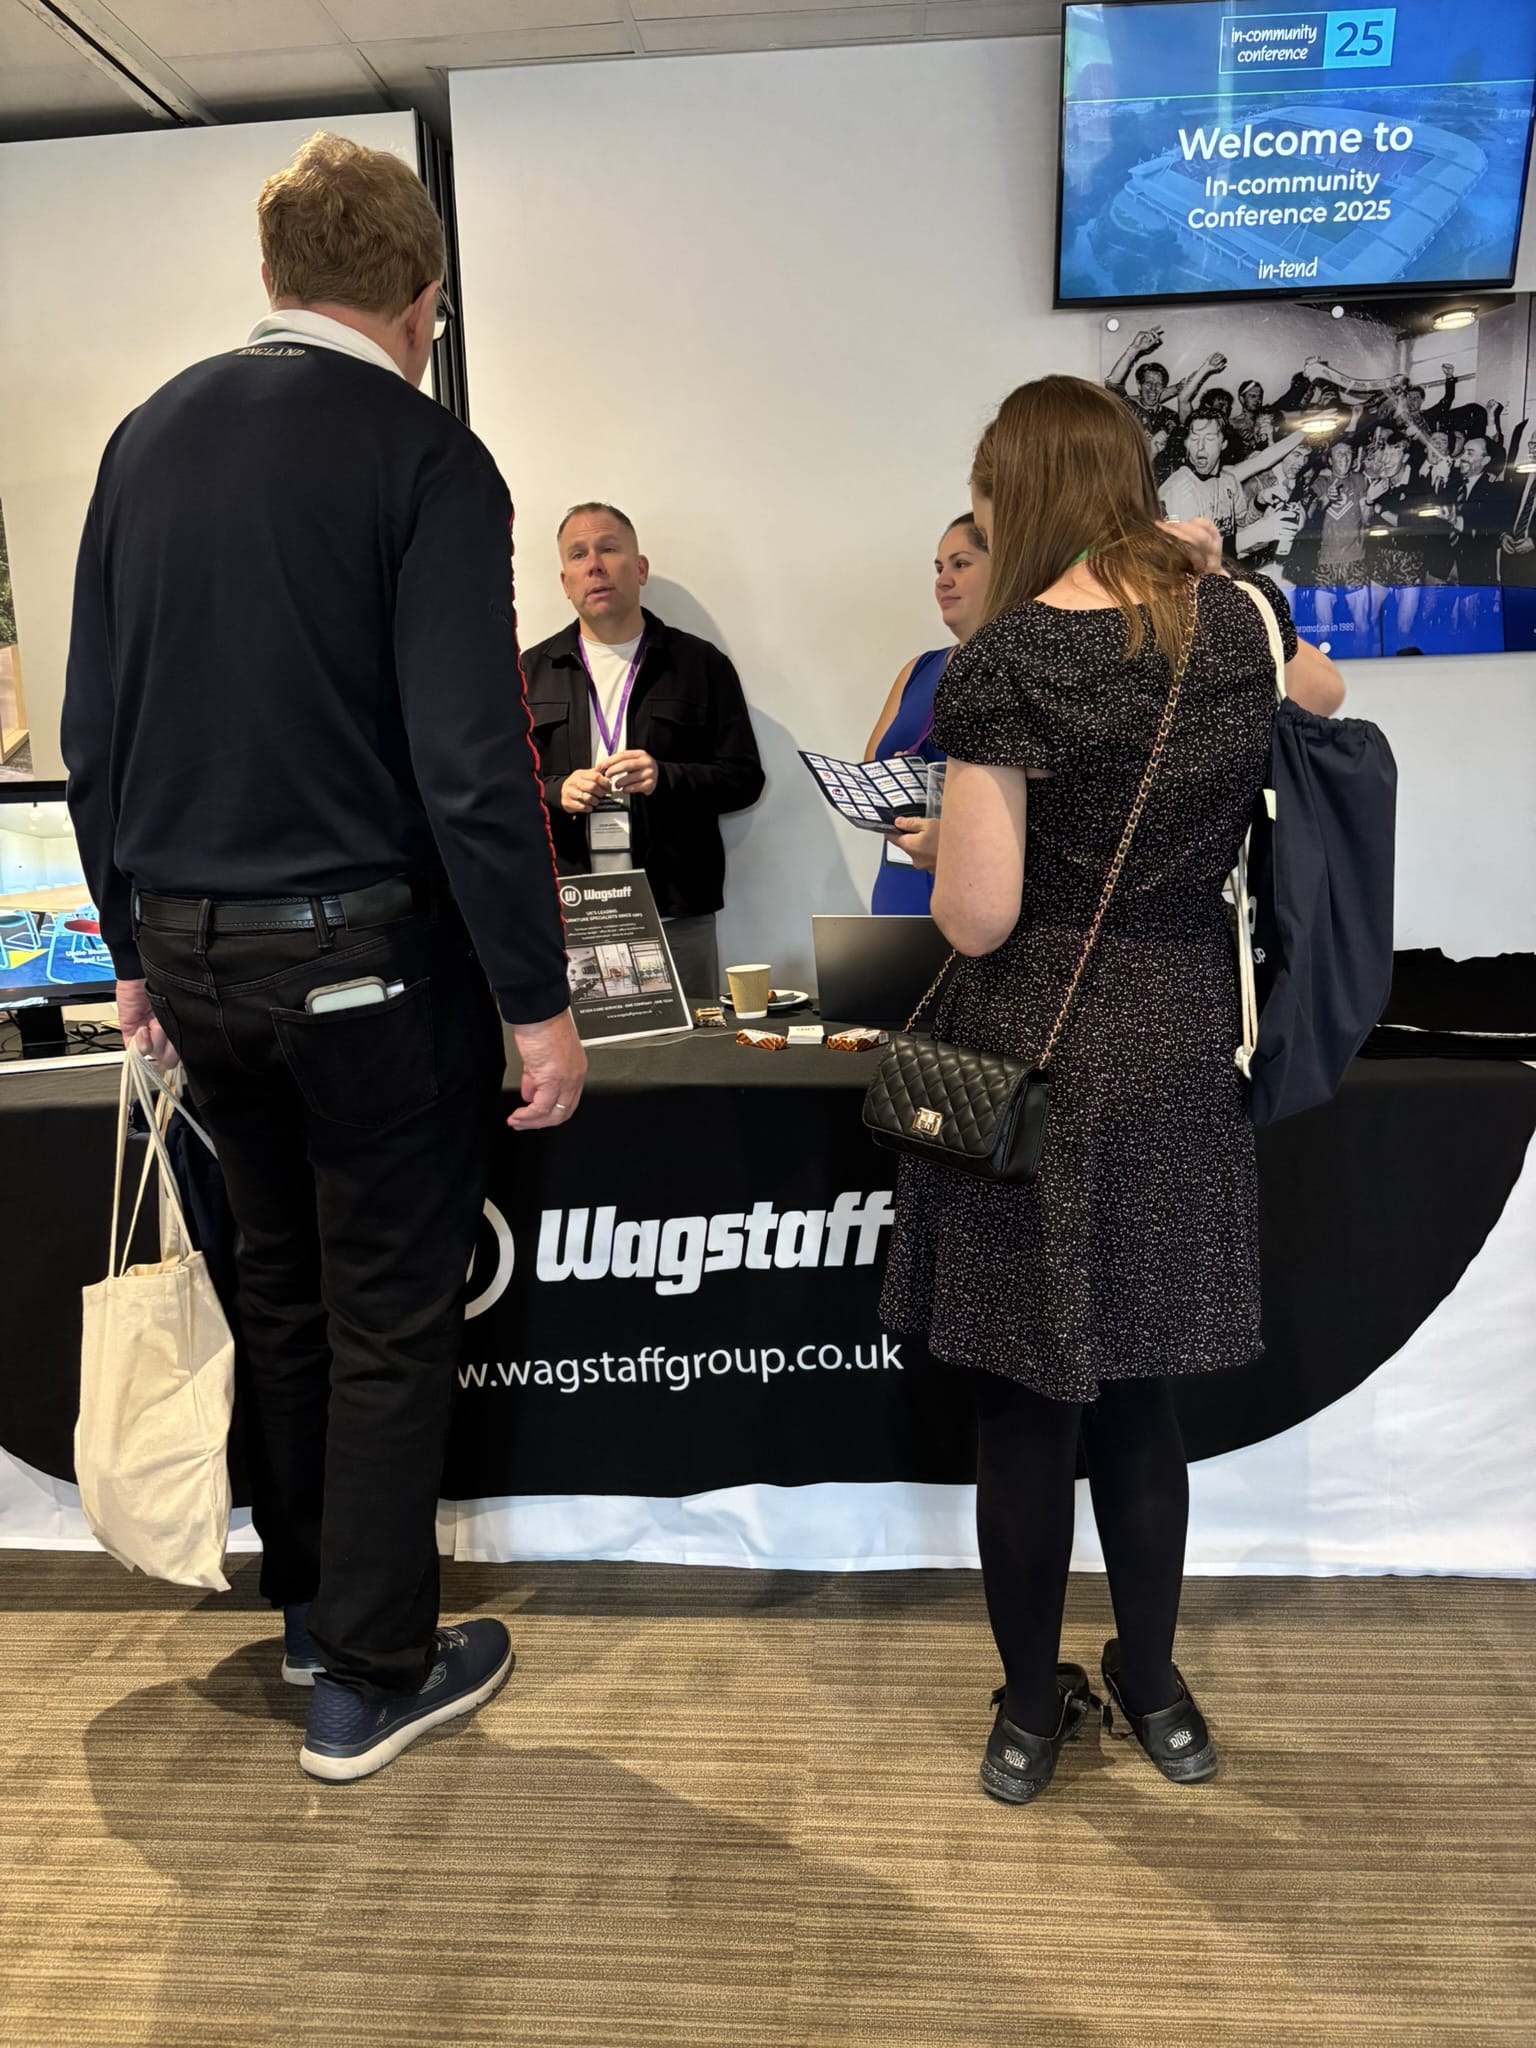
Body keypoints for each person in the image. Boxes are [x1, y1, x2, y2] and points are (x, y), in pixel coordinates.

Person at [60, 133, 586, 1783]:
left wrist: (128, 947)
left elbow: (92, 733)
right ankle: (373, 1671)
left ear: (274, 277)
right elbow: (473, 765)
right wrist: (537, 1000)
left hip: (189, 956)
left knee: (281, 1285)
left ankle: (310, 1610)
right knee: (384, 1310)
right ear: (423, 300)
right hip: (362, 962)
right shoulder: (429, 458)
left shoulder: (145, 437)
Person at [879, 374, 1345, 1807]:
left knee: (1029, 1413)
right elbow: (1330, 700)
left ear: (1020, 493)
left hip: (1037, 1052)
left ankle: (1031, 1717)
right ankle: (1160, 1691)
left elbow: (976, 917)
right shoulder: (1240, 622)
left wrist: (941, 831)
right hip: (1181, 1037)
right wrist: (1214, 568)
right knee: (1141, 1401)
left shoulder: (1007, 658)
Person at [520, 504, 764, 1001]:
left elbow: (744, 779)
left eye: (609, 549)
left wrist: (664, 777)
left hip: (675, 914)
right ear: (565, 582)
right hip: (571, 916)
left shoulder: (700, 664)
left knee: (688, 1048)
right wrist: (555, 792)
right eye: (578, 555)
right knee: (582, 1051)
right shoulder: (529, 672)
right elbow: (499, 785)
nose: (595, 565)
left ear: (640, 568)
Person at [863, 515, 990, 912]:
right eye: (939, 569)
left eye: (960, 564)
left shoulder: (1021, 675)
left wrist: (953, 839)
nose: (943, 581)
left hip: (973, 889)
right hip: (900, 883)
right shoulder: (918, 669)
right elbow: (870, 772)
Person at [1159, 413, 1306, 554]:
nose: (1201, 447)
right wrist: (1260, 532)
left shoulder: (1228, 480)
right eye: (1195, 439)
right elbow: (1197, 551)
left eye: (1209, 439)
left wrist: (1260, 500)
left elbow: (1242, 520)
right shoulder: (1177, 489)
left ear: (1223, 444)